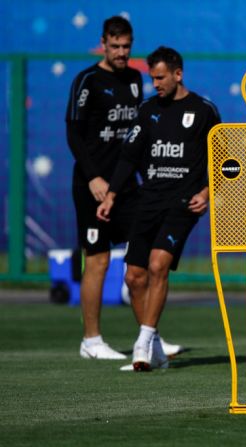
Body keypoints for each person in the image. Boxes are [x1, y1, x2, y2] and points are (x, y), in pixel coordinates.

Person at [97, 46, 221, 371]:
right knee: (134, 277)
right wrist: (111, 195)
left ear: (178, 74)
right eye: (152, 78)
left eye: (161, 78)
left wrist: (207, 192)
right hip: (147, 200)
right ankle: (157, 350)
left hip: (183, 203)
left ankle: (143, 341)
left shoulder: (205, 110)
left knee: (157, 265)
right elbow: (128, 157)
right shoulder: (148, 109)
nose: (156, 84)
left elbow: (224, 160)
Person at [65, 16, 143, 360]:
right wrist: (94, 177)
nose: (121, 52)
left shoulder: (136, 79)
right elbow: (74, 134)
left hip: (127, 186)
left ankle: (148, 339)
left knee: (144, 259)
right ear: (103, 43)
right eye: (115, 46)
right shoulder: (88, 80)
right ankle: (91, 340)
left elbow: (136, 137)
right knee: (96, 261)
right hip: (92, 186)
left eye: (126, 46)